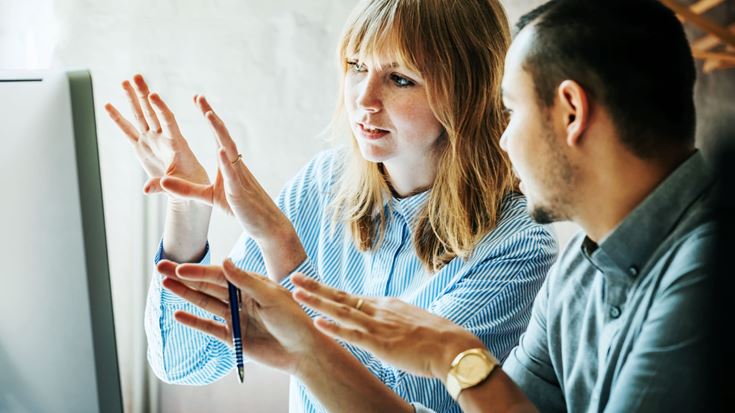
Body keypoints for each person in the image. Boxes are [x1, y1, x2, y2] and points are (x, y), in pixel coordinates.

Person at [104, 0, 557, 411]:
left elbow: (388, 399)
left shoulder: (518, 244)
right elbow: (185, 362)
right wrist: (187, 213)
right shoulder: (324, 183)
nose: (364, 99)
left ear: (468, 92)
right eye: (357, 67)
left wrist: (281, 244)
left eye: (400, 78)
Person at [288, 0, 716, 411]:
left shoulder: (709, 277)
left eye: (511, 110)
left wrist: (454, 355)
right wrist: (303, 351)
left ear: (571, 112)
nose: (502, 139)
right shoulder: (577, 274)